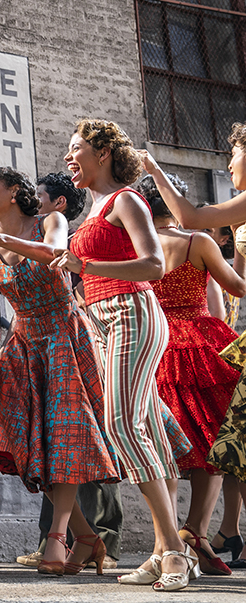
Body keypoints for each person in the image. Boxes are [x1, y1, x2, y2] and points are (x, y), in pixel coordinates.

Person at [0, 167, 119, 576]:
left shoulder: (47, 222)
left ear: (15, 191)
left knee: (65, 437)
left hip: (63, 335)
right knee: (19, 442)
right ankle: (87, 538)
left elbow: (55, 254)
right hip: (22, 344)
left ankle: (57, 538)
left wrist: (1, 238)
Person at [50, 119, 194, 591]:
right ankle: (160, 550)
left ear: (104, 152)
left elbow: (153, 264)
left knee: (120, 424)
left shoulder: (125, 199)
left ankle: (173, 549)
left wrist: (85, 264)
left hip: (131, 310)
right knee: (147, 425)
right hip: (101, 320)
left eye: (76, 149)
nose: (69, 157)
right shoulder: (89, 210)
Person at [140, 122, 246, 571]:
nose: (228, 163)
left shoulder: (133, 245)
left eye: (234, 153)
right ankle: (196, 531)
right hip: (204, 342)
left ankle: (167, 541)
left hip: (155, 343)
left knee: (161, 445)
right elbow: (235, 288)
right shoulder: (198, 242)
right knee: (215, 441)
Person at [16, 171, 122, 571]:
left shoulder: (64, 237)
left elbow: (80, 292)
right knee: (51, 443)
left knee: (82, 442)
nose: (32, 200)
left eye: (38, 196)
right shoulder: (26, 234)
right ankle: (80, 538)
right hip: (37, 341)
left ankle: (96, 537)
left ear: (58, 203)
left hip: (75, 339)